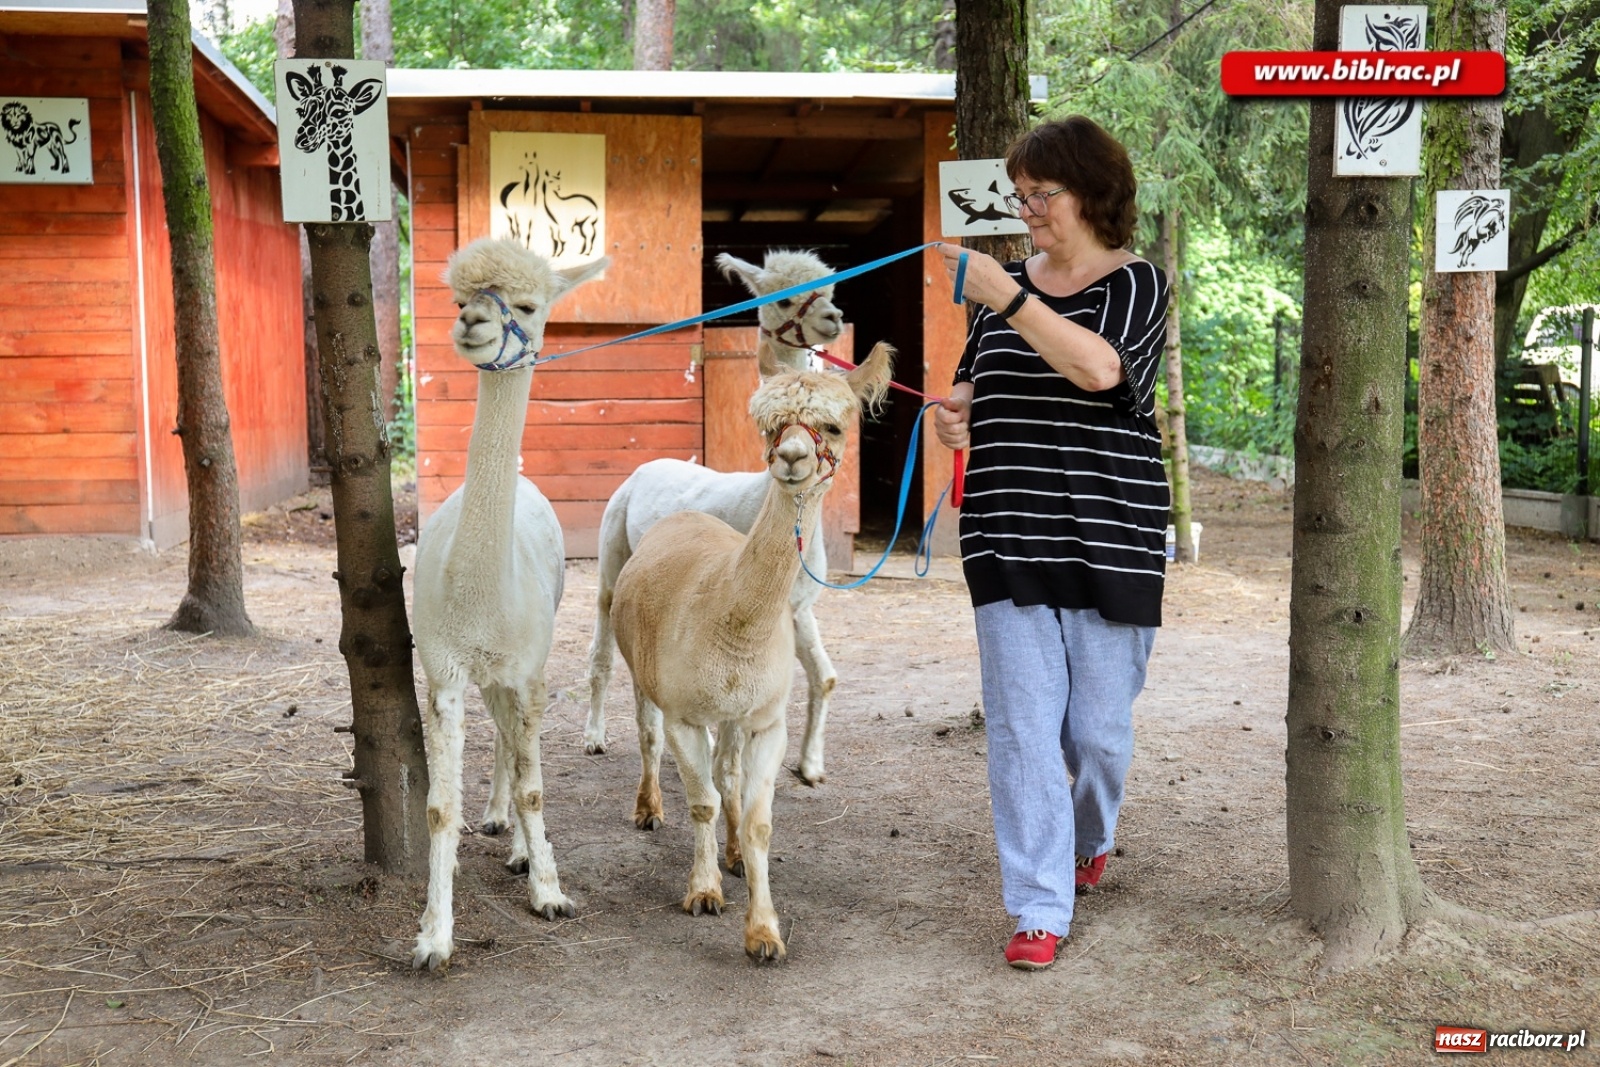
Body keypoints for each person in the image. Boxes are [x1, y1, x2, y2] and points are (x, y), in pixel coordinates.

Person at [933, 116, 1170, 971]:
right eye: (1020, 195)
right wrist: (956, 415)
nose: (1027, 209)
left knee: (1098, 733)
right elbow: (973, 381)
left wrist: (1008, 297)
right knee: (1023, 729)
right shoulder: (1004, 291)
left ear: (1092, 194)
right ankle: (1038, 903)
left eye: (1042, 194)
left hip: (1112, 536)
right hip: (1007, 531)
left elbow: (1099, 370)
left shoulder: (1137, 283)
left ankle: (1089, 835)